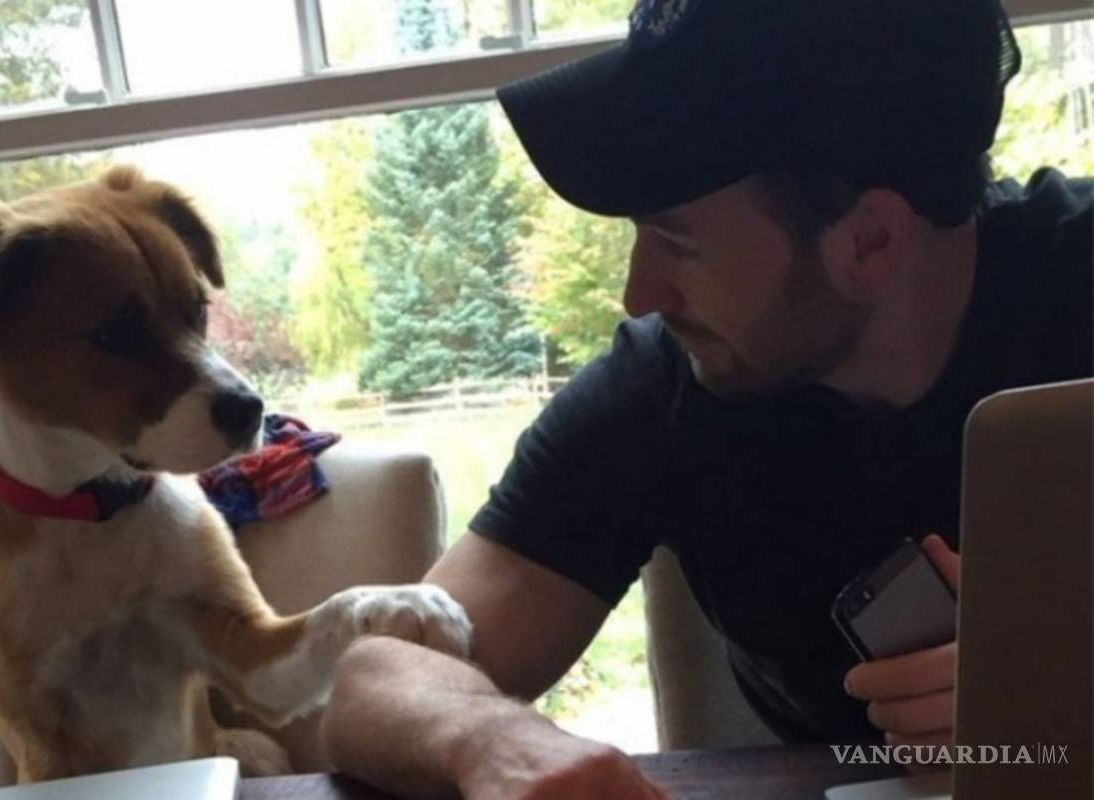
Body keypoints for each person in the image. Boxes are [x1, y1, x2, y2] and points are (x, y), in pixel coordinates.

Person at [321, 0, 1093, 798]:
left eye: (676, 243)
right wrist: (489, 738)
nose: (637, 292)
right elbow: (377, 677)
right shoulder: (664, 389)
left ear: (871, 241)